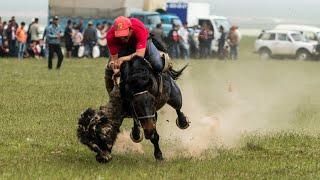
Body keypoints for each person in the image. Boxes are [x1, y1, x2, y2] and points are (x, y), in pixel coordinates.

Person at [102, 16, 170, 156]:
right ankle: (114, 95)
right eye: (119, 36)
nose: (123, 38)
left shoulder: (138, 29)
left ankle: (166, 81)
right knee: (108, 72)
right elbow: (115, 60)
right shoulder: (110, 36)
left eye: (125, 35)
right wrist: (115, 67)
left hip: (143, 46)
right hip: (124, 51)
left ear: (131, 30)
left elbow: (139, 55)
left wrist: (123, 59)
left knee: (157, 64)